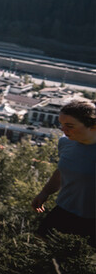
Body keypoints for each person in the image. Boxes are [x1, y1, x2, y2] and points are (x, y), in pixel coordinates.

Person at [31, 98, 96, 246]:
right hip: (63, 212)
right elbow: (62, 171)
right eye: (61, 124)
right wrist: (44, 193)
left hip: (92, 222)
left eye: (69, 126)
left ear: (93, 126)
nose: (63, 129)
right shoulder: (65, 142)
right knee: (39, 252)